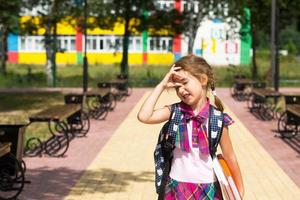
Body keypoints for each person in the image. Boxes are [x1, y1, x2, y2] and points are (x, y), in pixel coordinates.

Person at [137, 54, 244, 199]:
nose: (181, 90)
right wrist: (162, 85)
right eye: (177, 87)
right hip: (175, 185)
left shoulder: (218, 120)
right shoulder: (174, 112)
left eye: (185, 83)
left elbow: (230, 158)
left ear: (203, 80)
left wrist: (239, 192)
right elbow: (144, 116)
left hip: (209, 187)